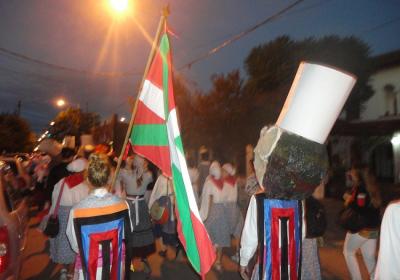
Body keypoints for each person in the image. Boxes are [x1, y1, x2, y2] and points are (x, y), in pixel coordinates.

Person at [66, 153, 130, 280]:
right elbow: (126, 236)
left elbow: (75, 245)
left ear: (88, 180)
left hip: (89, 269)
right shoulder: (123, 205)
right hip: (115, 268)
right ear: (110, 178)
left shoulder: (77, 211)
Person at [48, 158, 89, 278]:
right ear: (82, 171)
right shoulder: (85, 185)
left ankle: (63, 271)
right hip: (77, 217)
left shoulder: (61, 183)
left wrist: (51, 215)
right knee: (75, 245)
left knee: (63, 244)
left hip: (62, 216)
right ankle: (71, 272)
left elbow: (54, 201)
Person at [200, 161, 241, 272]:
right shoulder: (228, 182)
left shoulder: (210, 182)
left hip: (214, 211)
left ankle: (210, 259)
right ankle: (218, 261)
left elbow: (207, 201)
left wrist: (202, 215)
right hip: (226, 211)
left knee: (210, 235)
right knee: (222, 237)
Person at [342, 166, 381, 280]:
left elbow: (360, 207)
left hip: (361, 228)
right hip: (373, 230)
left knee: (348, 252)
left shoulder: (361, 189)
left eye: (353, 172)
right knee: (369, 258)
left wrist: (348, 199)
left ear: (359, 175)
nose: (351, 173)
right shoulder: (373, 188)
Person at [118, 154, 154, 275]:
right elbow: (148, 175)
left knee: (129, 233)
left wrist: (126, 164)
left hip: (129, 206)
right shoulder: (148, 175)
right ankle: (143, 260)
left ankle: (129, 262)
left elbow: (117, 176)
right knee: (142, 233)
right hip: (142, 206)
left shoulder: (125, 173)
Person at [149, 174, 179, 259]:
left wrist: (150, 206)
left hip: (163, 205)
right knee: (172, 227)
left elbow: (155, 193)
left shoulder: (161, 178)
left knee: (162, 227)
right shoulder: (175, 176)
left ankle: (164, 249)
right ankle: (176, 245)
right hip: (173, 204)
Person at [374, 200, 400, 279]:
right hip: (373, 230)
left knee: (348, 251)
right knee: (369, 255)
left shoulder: (394, 209)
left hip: (363, 229)